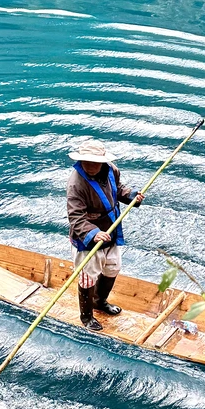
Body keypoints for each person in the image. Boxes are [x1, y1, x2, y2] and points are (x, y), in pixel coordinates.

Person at [66, 137, 144, 332]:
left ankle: (99, 301)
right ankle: (86, 317)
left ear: (102, 162)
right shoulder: (76, 184)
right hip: (88, 237)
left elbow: (119, 189)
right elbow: (75, 217)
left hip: (111, 228)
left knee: (112, 268)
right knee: (87, 276)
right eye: (87, 161)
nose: (91, 165)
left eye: (95, 162)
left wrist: (132, 196)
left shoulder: (111, 169)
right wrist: (94, 233)